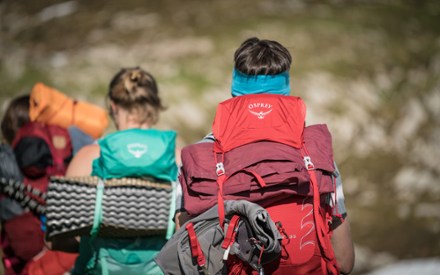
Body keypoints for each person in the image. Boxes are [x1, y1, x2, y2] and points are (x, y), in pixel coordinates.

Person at [174, 37, 355, 274]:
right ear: (286, 91)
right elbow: (344, 261)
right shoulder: (317, 155)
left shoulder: (199, 159)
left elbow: (184, 250)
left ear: (234, 88)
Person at [50, 66, 177, 274]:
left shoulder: (86, 158)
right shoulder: (179, 158)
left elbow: (57, 239)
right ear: (155, 107)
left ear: (113, 106)